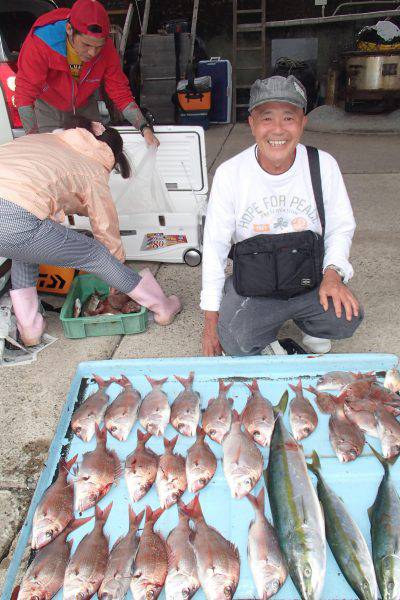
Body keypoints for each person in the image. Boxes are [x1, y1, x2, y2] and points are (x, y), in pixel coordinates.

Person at [201, 75, 363, 357]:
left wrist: (334, 274)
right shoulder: (230, 173)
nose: (278, 130)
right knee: (235, 343)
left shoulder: (323, 164)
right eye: (267, 118)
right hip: (256, 285)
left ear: (303, 123)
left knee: (346, 317)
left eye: (288, 118)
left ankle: (313, 331)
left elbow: (340, 226)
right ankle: (256, 323)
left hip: (308, 280)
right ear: (252, 124)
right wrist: (210, 322)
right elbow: (214, 249)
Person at [0, 118, 181, 346]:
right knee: (96, 254)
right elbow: (105, 229)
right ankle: (162, 307)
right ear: (111, 155)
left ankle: (30, 331)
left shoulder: (48, 140)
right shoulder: (92, 168)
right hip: (15, 214)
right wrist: (117, 271)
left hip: (14, 212)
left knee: (24, 252)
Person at [15, 0, 158, 145]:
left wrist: (144, 127)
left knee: (96, 154)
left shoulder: (107, 49)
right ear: (69, 29)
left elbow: (120, 91)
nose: (92, 52)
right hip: (50, 108)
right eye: (86, 44)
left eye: (98, 46)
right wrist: (32, 140)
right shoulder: (40, 44)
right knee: (52, 156)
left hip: (85, 104)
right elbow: (24, 97)